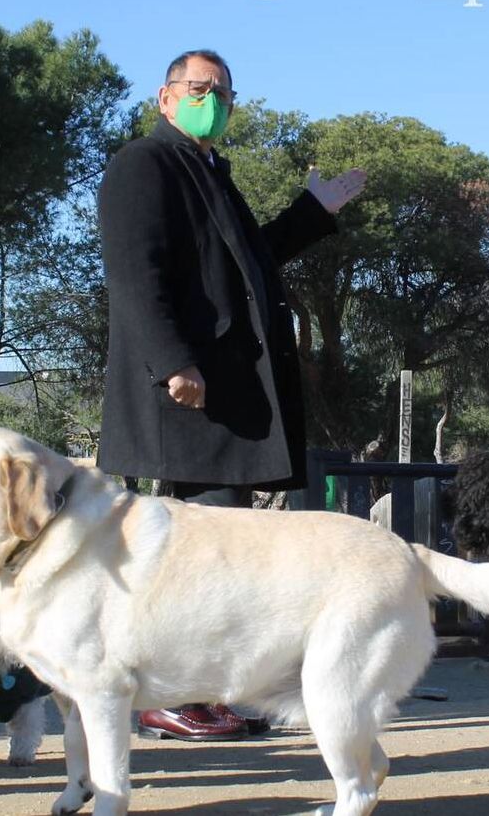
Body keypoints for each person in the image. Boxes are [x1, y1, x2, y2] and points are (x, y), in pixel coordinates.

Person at [96, 49, 366, 740]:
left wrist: (314, 210)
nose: (210, 100)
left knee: (217, 551)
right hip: (189, 389)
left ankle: (201, 693)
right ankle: (169, 698)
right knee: (196, 551)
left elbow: (248, 261)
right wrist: (173, 362)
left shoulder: (210, 171)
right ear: (164, 98)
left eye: (221, 92)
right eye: (196, 89)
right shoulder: (144, 164)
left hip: (226, 390)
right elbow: (135, 271)